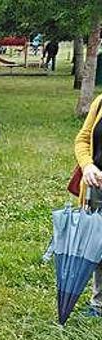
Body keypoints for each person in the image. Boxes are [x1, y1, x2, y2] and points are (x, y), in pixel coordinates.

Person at [73, 93, 102, 317]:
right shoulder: (100, 102)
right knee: (97, 247)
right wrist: (88, 165)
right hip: (96, 188)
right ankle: (98, 303)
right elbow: (82, 139)